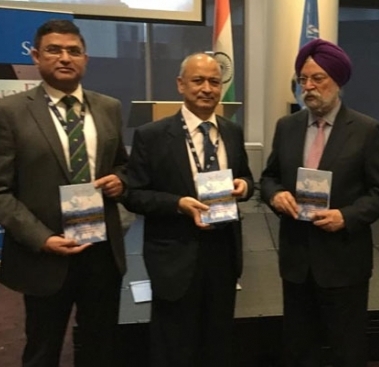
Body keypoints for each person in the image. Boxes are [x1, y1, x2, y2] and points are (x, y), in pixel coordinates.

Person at [260, 39, 379, 366]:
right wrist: (275, 195)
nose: (308, 86)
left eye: (317, 78)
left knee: (346, 350)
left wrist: (346, 216)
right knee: (297, 348)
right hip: (296, 260)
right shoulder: (287, 127)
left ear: (337, 81)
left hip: (343, 261)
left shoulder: (365, 130)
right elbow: (268, 177)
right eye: (303, 79)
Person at [0, 19, 128, 366]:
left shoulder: (109, 107)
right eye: (54, 50)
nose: (65, 57)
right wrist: (41, 239)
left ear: (85, 59)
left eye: (74, 51)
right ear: (37, 57)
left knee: (100, 345)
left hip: (101, 252)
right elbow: (1, 191)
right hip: (45, 254)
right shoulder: (9, 111)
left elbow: (122, 166)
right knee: (43, 348)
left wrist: (120, 181)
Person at [123, 53, 254, 366]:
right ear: (181, 85)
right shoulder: (151, 136)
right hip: (174, 258)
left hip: (223, 254)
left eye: (214, 81)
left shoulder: (231, 132)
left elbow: (247, 177)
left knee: (218, 342)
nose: (207, 88)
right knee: (174, 347)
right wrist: (177, 204)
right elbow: (132, 194)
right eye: (198, 80)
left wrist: (245, 187)